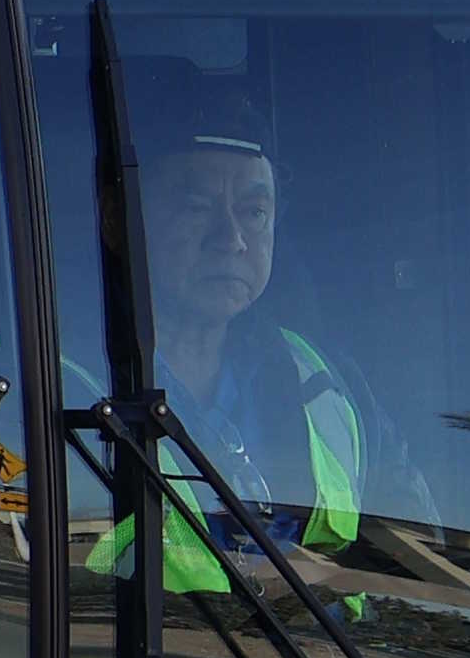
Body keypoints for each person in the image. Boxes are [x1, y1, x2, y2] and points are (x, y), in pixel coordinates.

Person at [85, 97, 412, 591]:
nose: (232, 238)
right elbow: (9, 589)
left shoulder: (324, 382)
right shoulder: (45, 382)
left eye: (254, 211)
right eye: (197, 207)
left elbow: (414, 570)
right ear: (115, 217)